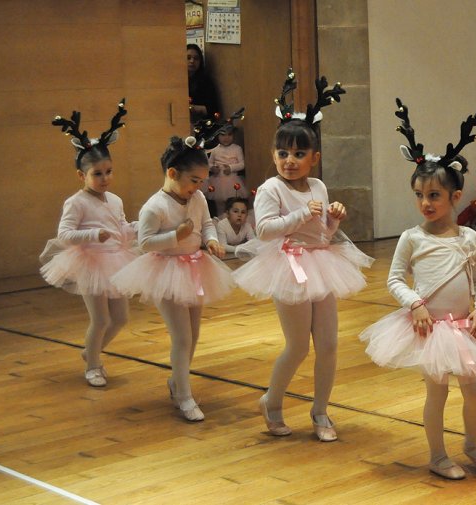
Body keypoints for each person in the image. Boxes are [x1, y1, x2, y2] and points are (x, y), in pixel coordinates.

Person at [359, 99, 476, 480]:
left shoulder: (470, 238)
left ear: (455, 197)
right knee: (437, 392)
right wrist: (414, 304)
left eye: (434, 196)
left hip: (466, 327)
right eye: (419, 195)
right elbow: (394, 278)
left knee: (475, 391)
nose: (425, 203)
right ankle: (438, 455)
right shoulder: (412, 238)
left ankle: (472, 443)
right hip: (432, 330)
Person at [233, 69, 373, 442]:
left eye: (298, 154)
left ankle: (321, 411)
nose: (289, 160)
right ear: (273, 155)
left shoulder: (318, 186)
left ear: (315, 157)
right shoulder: (269, 188)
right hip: (288, 265)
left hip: (320, 262)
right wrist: (301, 214)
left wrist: (332, 220)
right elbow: (263, 230)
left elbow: (322, 234)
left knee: (328, 345)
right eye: (283, 153)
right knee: (297, 346)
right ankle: (272, 402)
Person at [111, 123, 234, 422]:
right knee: (181, 336)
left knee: (193, 335)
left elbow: (205, 223)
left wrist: (212, 240)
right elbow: (144, 243)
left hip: (194, 267)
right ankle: (184, 395)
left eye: (202, 181)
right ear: (171, 174)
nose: (198, 187)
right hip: (166, 271)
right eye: (194, 180)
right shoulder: (155, 207)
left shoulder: (198, 199)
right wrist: (175, 237)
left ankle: (177, 381)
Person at [41, 100, 137, 387]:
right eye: (97, 174)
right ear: (82, 176)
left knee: (120, 318)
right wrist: (93, 235)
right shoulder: (76, 202)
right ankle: (93, 365)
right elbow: (64, 235)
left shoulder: (115, 199)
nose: (105, 178)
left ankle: (90, 351)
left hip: (116, 259)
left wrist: (135, 228)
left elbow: (119, 226)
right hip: (90, 262)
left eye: (108, 171)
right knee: (101, 319)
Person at [207, 124, 249, 217]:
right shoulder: (214, 150)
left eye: (229, 135)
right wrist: (213, 168)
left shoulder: (237, 148)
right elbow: (209, 163)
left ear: (233, 135)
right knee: (219, 203)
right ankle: (220, 222)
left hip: (232, 180)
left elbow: (242, 164)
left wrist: (231, 168)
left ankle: (232, 221)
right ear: (217, 135)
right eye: (222, 135)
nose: (226, 138)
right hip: (218, 180)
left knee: (233, 203)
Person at [187, 43, 223, 125]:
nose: (192, 61)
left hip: (202, 125)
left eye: (196, 58)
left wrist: (196, 108)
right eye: (188, 58)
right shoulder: (177, 82)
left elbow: (215, 111)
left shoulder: (206, 81)